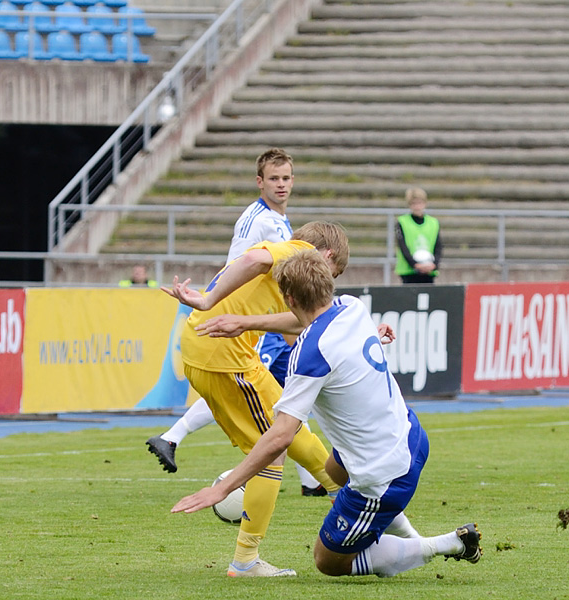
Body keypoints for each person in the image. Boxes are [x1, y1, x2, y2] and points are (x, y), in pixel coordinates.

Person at [172, 250, 483, 578]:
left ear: (288, 298)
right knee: (334, 471)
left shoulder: (309, 356)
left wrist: (222, 488)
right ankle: (402, 532)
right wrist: (246, 323)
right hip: (411, 433)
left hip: (385, 473)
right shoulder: (351, 306)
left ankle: (447, 543)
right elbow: (304, 320)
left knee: (328, 561)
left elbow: (280, 436)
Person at [161, 221, 350, 577]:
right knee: (272, 449)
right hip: (222, 356)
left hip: (224, 352)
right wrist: (207, 299)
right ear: (326, 255)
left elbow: (300, 322)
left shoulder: (292, 264)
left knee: (290, 423)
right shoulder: (296, 251)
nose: (328, 282)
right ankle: (245, 560)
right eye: (334, 271)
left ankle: (340, 493)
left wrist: (247, 322)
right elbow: (254, 261)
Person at [145, 148, 326, 495]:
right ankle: (315, 482)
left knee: (280, 397)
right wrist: (218, 302)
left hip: (244, 320)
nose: (281, 185)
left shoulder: (272, 219)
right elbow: (251, 263)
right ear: (260, 182)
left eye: (286, 178)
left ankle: (312, 481)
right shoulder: (264, 222)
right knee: (273, 409)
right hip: (238, 322)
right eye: (274, 179)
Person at [395, 187, 442, 284]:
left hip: (429, 270)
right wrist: (415, 264)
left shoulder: (433, 223)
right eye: (414, 203)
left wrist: (434, 264)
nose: (417, 207)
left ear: (425, 203)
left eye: (419, 203)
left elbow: (438, 246)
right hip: (408, 271)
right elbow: (402, 246)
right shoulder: (402, 222)